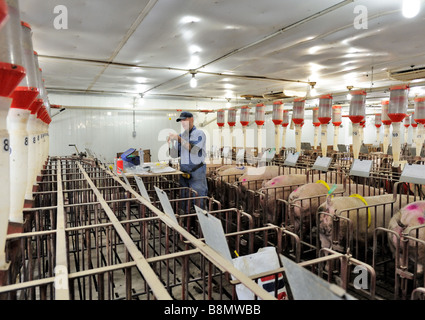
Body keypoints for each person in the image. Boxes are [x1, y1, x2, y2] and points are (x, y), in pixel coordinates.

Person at [168, 111, 208, 211]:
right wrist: (171, 143)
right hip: (184, 174)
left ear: (191, 119)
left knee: (199, 202)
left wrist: (179, 139)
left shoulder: (199, 133)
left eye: (185, 120)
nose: (183, 122)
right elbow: (174, 154)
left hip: (196, 173)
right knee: (184, 201)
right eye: (181, 120)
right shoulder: (182, 136)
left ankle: (201, 224)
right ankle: (187, 224)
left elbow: (194, 150)